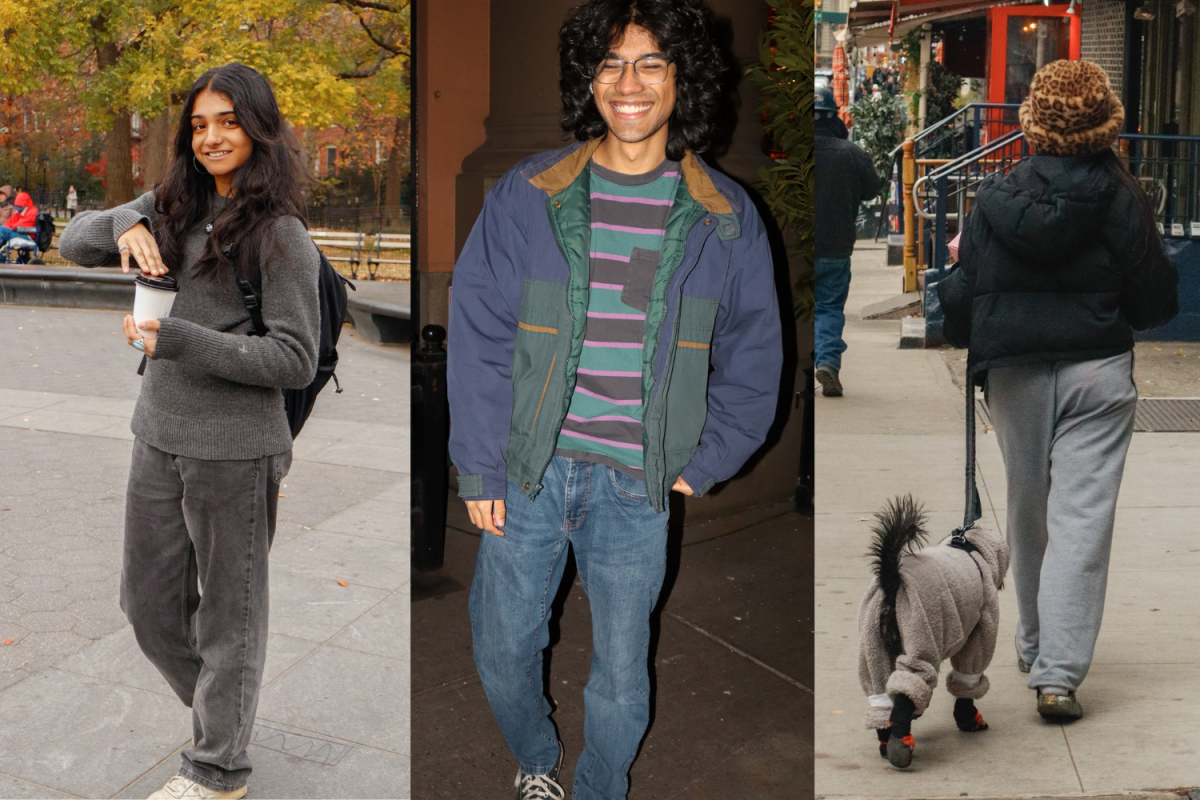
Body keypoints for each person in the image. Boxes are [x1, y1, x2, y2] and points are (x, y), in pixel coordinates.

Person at [447, 0, 783, 797]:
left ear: (682, 80)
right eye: (610, 63)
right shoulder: (530, 192)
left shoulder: (725, 218)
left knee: (622, 673)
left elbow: (755, 358)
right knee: (501, 647)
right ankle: (536, 757)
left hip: (638, 483)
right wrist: (480, 466)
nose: (628, 83)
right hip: (531, 469)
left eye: (651, 63)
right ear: (588, 79)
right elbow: (481, 331)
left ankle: (600, 786)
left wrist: (702, 463)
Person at [58, 62, 321, 799]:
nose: (211, 137)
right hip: (159, 435)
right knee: (148, 606)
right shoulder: (173, 204)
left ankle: (217, 767)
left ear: (260, 128)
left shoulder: (280, 234)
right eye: (200, 124)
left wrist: (177, 339)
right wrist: (128, 219)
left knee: (231, 617)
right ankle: (226, 715)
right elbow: (75, 243)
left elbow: (295, 357)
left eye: (228, 121)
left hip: (237, 450)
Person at [938, 59, 1177, 721]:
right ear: (1105, 126)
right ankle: (1058, 675)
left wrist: (958, 315)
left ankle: (1037, 639)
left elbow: (961, 296)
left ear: (1032, 125)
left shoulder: (996, 195)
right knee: (1083, 521)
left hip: (1015, 370)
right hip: (1097, 369)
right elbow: (1157, 297)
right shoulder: (1123, 195)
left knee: (1028, 508)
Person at [813, 83, 880, 397]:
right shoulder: (851, 153)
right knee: (828, 307)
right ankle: (827, 361)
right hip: (836, 246)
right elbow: (872, 189)